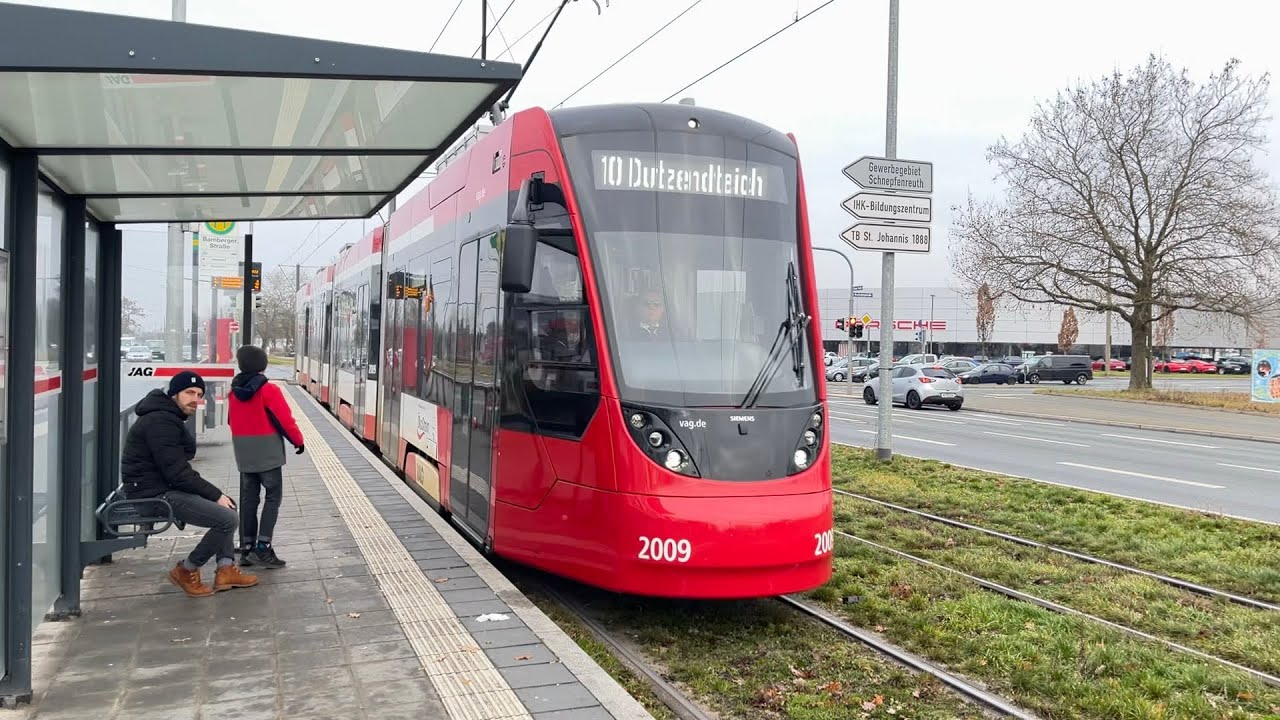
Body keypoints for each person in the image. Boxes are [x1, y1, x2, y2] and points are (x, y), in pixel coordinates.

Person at [121, 371, 259, 597]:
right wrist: (215, 495)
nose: (195, 399)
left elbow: (177, 467)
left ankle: (225, 569)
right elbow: (177, 473)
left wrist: (218, 497)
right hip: (153, 496)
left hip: (159, 488)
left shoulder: (166, 417)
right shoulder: (160, 422)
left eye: (199, 394)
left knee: (228, 506)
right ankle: (187, 569)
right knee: (227, 518)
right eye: (189, 392)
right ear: (174, 394)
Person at [228, 345, 305, 568]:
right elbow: (284, 420)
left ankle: (247, 548)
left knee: (248, 500)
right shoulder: (269, 390)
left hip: (244, 454)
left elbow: (231, 421)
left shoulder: (233, 392)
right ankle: (263, 548)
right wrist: (298, 441)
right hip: (268, 453)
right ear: (263, 365)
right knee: (272, 498)